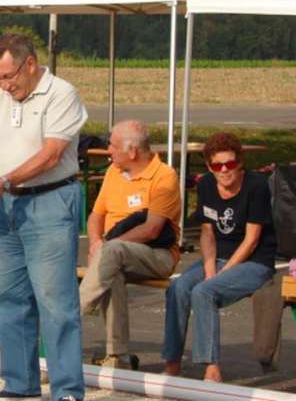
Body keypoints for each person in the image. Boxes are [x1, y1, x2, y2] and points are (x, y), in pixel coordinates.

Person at [0, 32, 87, 401]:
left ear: (30, 64)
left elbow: (51, 155)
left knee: (55, 301)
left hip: (50, 201)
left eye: (9, 76)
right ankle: (19, 383)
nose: (3, 85)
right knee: (6, 297)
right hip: (8, 205)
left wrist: (2, 180)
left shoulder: (62, 94)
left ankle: (66, 391)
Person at [163, 132, 276, 382]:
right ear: (209, 167)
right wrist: (210, 267)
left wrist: (221, 275)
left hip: (253, 262)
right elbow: (207, 233)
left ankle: (211, 368)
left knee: (204, 291)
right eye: (218, 165)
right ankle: (172, 363)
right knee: (178, 287)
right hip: (219, 256)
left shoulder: (256, 186)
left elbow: (252, 239)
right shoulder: (205, 185)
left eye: (231, 164)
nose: (225, 170)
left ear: (240, 163)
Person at [79, 120, 181, 370]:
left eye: (113, 146)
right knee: (111, 267)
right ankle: (118, 357)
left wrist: (106, 246)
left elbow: (152, 229)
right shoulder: (114, 172)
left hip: (157, 254)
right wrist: (95, 241)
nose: (108, 151)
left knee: (112, 253)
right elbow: (96, 215)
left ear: (132, 151)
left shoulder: (164, 176)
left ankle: (72, 314)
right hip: (114, 253)